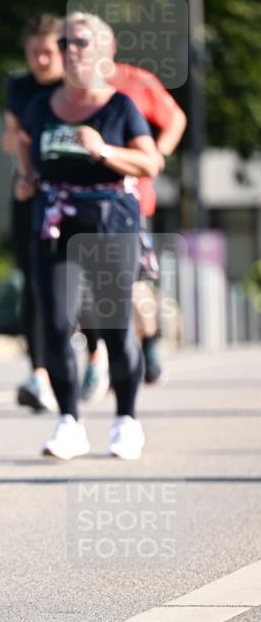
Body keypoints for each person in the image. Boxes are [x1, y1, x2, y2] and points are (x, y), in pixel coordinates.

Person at [18, 12, 158, 460]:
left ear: (103, 51)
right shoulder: (41, 107)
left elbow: (150, 163)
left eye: (79, 42)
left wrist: (104, 150)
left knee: (115, 327)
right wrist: (26, 177)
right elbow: (25, 143)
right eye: (63, 43)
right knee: (56, 323)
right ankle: (69, 422)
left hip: (109, 222)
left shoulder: (120, 107)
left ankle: (126, 420)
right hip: (56, 221)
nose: (69, 51)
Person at [80, 37, 187, 394]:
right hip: (80, 201)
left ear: (108, 49)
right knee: (88, 286)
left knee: (132, 283)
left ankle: (151, 344)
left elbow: (175, 119)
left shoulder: (135, 82)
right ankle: (97, 359)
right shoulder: (71, 90)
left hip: (130, 202)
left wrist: (156, 154)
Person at [1, 15, 63, 412]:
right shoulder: (18, 87)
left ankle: (94, 357)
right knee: (34, 284)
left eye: (47, 51)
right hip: (31, 193)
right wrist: (25, 173)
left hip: (75, 196)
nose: (40, 60)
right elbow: (13, 137)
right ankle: (39, 373)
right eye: (33, 52)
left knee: (78, 285)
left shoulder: (75, 87)